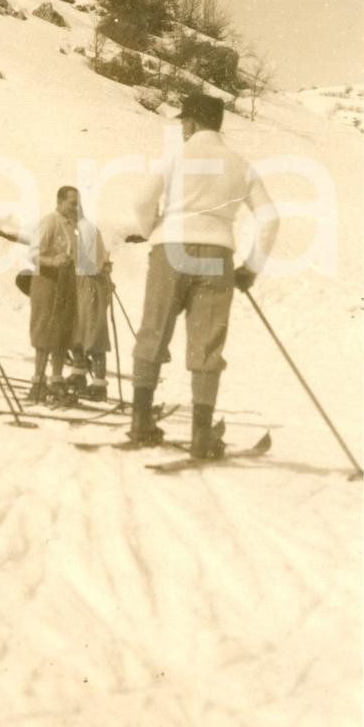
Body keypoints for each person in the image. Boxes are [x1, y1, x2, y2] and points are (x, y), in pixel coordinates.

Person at [127, 90, 279, 457]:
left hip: (170, 249)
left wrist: (155, 232)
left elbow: (141, 202)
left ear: (192, 122)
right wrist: (251, 269)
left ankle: (141, 421)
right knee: (207, 344)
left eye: (184, 122)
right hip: (217, 254)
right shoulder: (240, 164)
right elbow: (270, 219)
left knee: (153, 331)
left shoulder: (177, 157)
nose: (182, 129)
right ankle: (200, 435)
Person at [26, 186, 80, 406]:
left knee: (62, 330)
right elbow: (33, 254)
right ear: (59, 201)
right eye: (72, 203)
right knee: (44, 329)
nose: (76, 208)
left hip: (65, 281)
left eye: (77, 204)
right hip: (47, 281)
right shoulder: (50, 221)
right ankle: (38, 383)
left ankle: (56, 380)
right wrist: (53, 261)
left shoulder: (72, 226)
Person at [68, 209, 113, 402]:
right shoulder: (71, 227)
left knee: (93, 334)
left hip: (91, 281)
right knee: (74, 331)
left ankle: (99, 384)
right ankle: (79, 373)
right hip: (78, 281)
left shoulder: (86, 228)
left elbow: (92, 262)